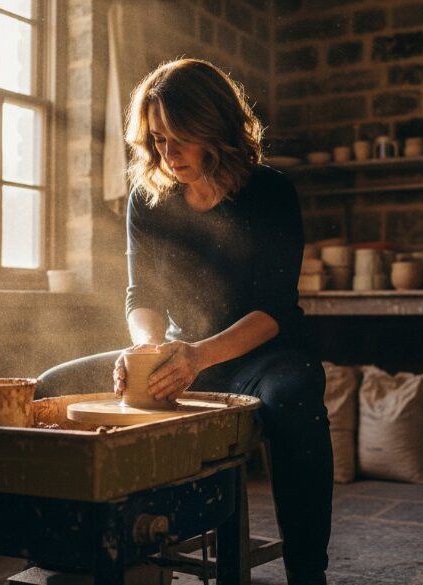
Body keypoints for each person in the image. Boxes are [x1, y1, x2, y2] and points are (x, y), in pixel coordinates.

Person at [117, 58, 333, 585]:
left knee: (296, 398)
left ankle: (308, 571)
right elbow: (142, 295)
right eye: (158, 140)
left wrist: (196, 356)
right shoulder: (149, 198)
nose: (168, 155)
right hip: (184, 351)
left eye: (180, 139)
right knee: (57, 384)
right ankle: (107, 557)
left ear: (214, 128)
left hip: (264, 355)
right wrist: (147, 349)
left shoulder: (270, 193)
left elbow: (274, 309)